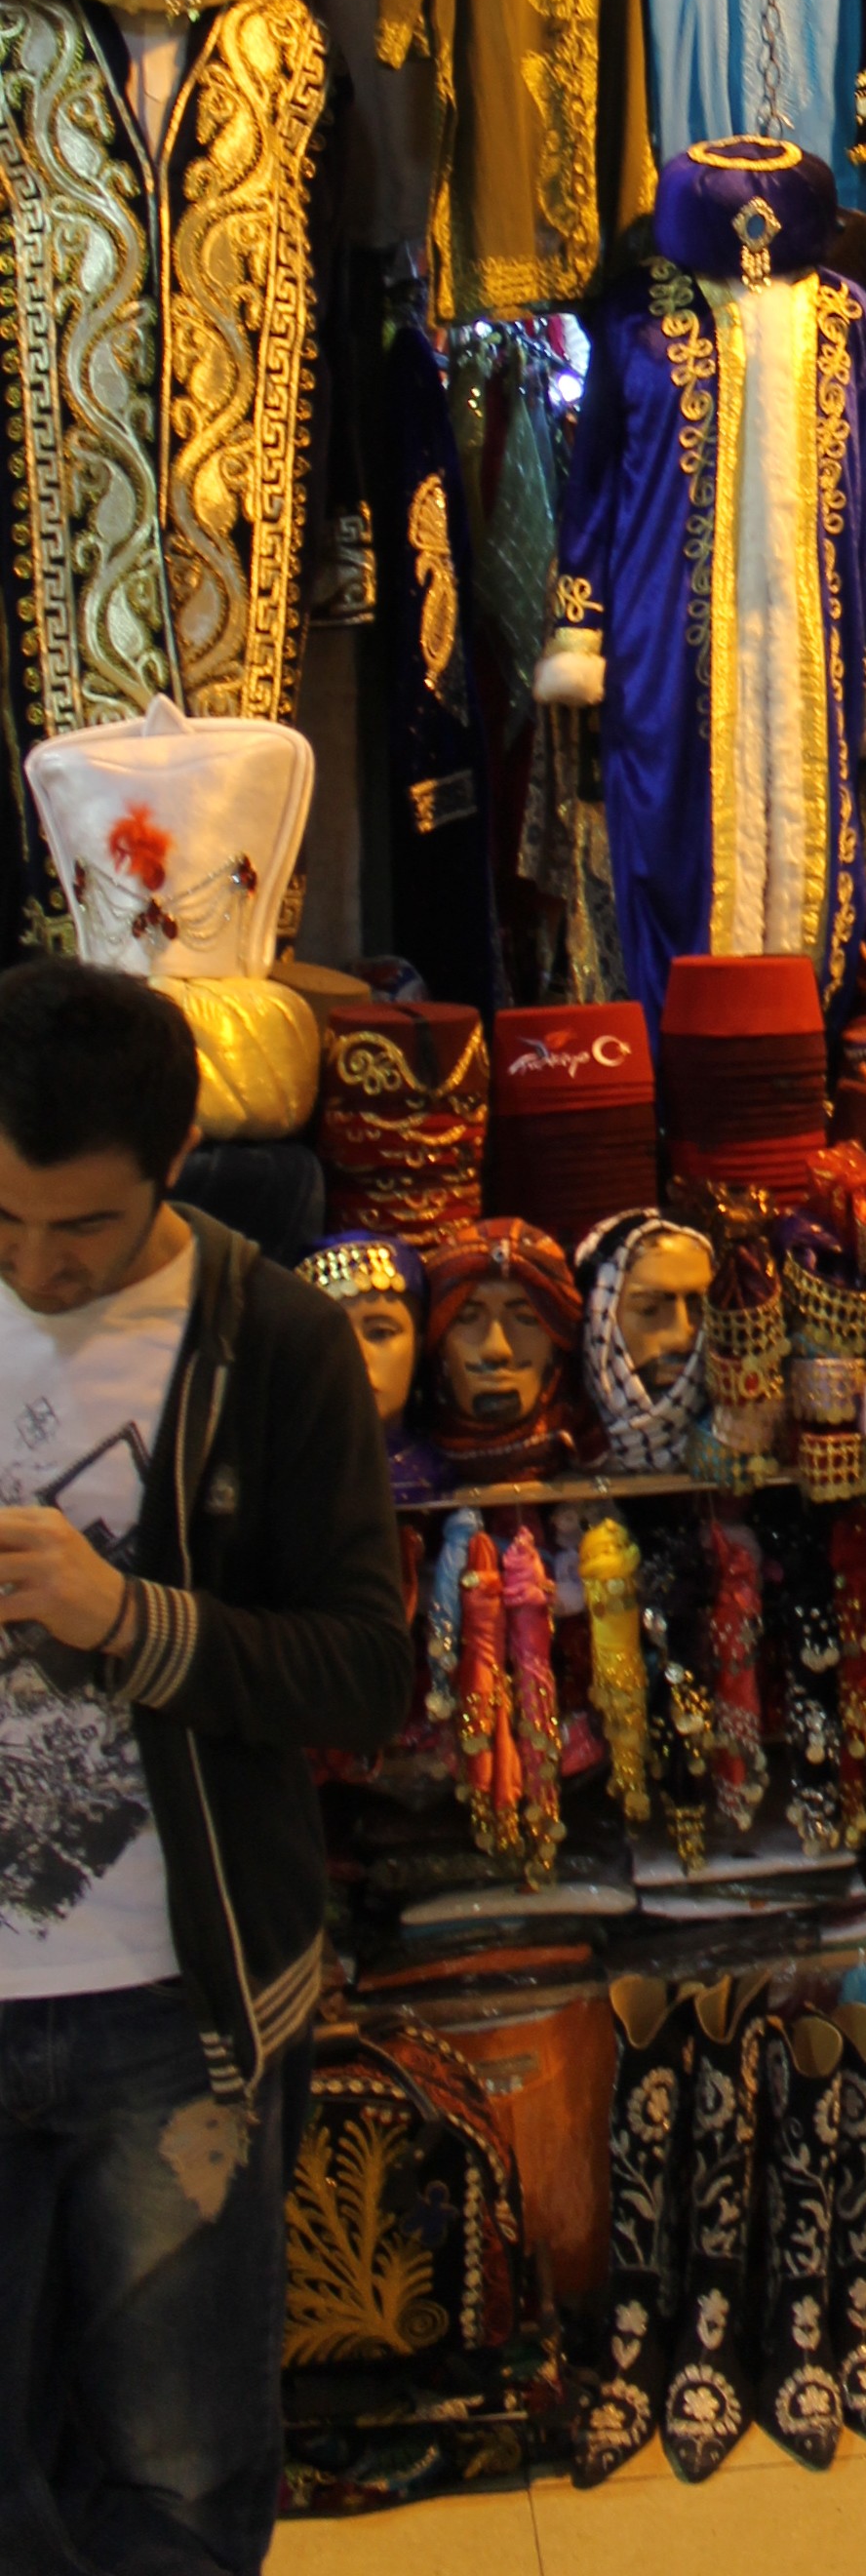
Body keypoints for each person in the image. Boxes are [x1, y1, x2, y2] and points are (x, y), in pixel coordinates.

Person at [0, 957, 411, 2572]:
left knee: (175, 2488)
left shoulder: (274, 1342)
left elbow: (365, 1674)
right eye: (5, 1220)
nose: (39, 1265)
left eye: (83, 1230)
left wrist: (129, 1618)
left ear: (176, 1161)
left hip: (175, 2014)